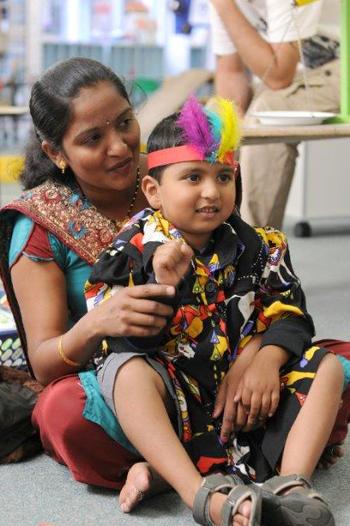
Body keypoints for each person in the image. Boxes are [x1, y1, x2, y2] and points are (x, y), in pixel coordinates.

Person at [0, 56, 347, 520]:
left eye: (125, 123)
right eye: (91, 139)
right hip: (140, 375)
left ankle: (212, 469)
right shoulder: (42, 223)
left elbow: (252, 286)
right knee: (64, 415)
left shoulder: (185, 162)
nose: (120, 146)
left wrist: (259, 355)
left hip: (228, 361)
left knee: (335, 362)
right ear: (56, 152)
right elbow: (45, 365)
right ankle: (204, 470)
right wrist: (99, 321)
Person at [84, 95, 343, 525]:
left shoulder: (262, 246)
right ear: (153, 191)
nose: (211, 191)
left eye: (224, 176)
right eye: (193, 177)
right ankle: (199, 493)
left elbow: (292, 313)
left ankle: (293, 487)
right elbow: (120, 338)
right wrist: (161, 285)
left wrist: (266, 358)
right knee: (125, 372)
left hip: (246, 403)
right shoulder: (128, 252)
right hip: (176, 400)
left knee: (328, 366)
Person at [209, 0, 340, 229]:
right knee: (213, 116)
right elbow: (231, 72)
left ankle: (254, 248)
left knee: (267, 111)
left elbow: (280, 74)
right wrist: (225, 132)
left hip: (341, 66)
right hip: (300, 76)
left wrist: (224, 5)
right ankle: (213, 234)